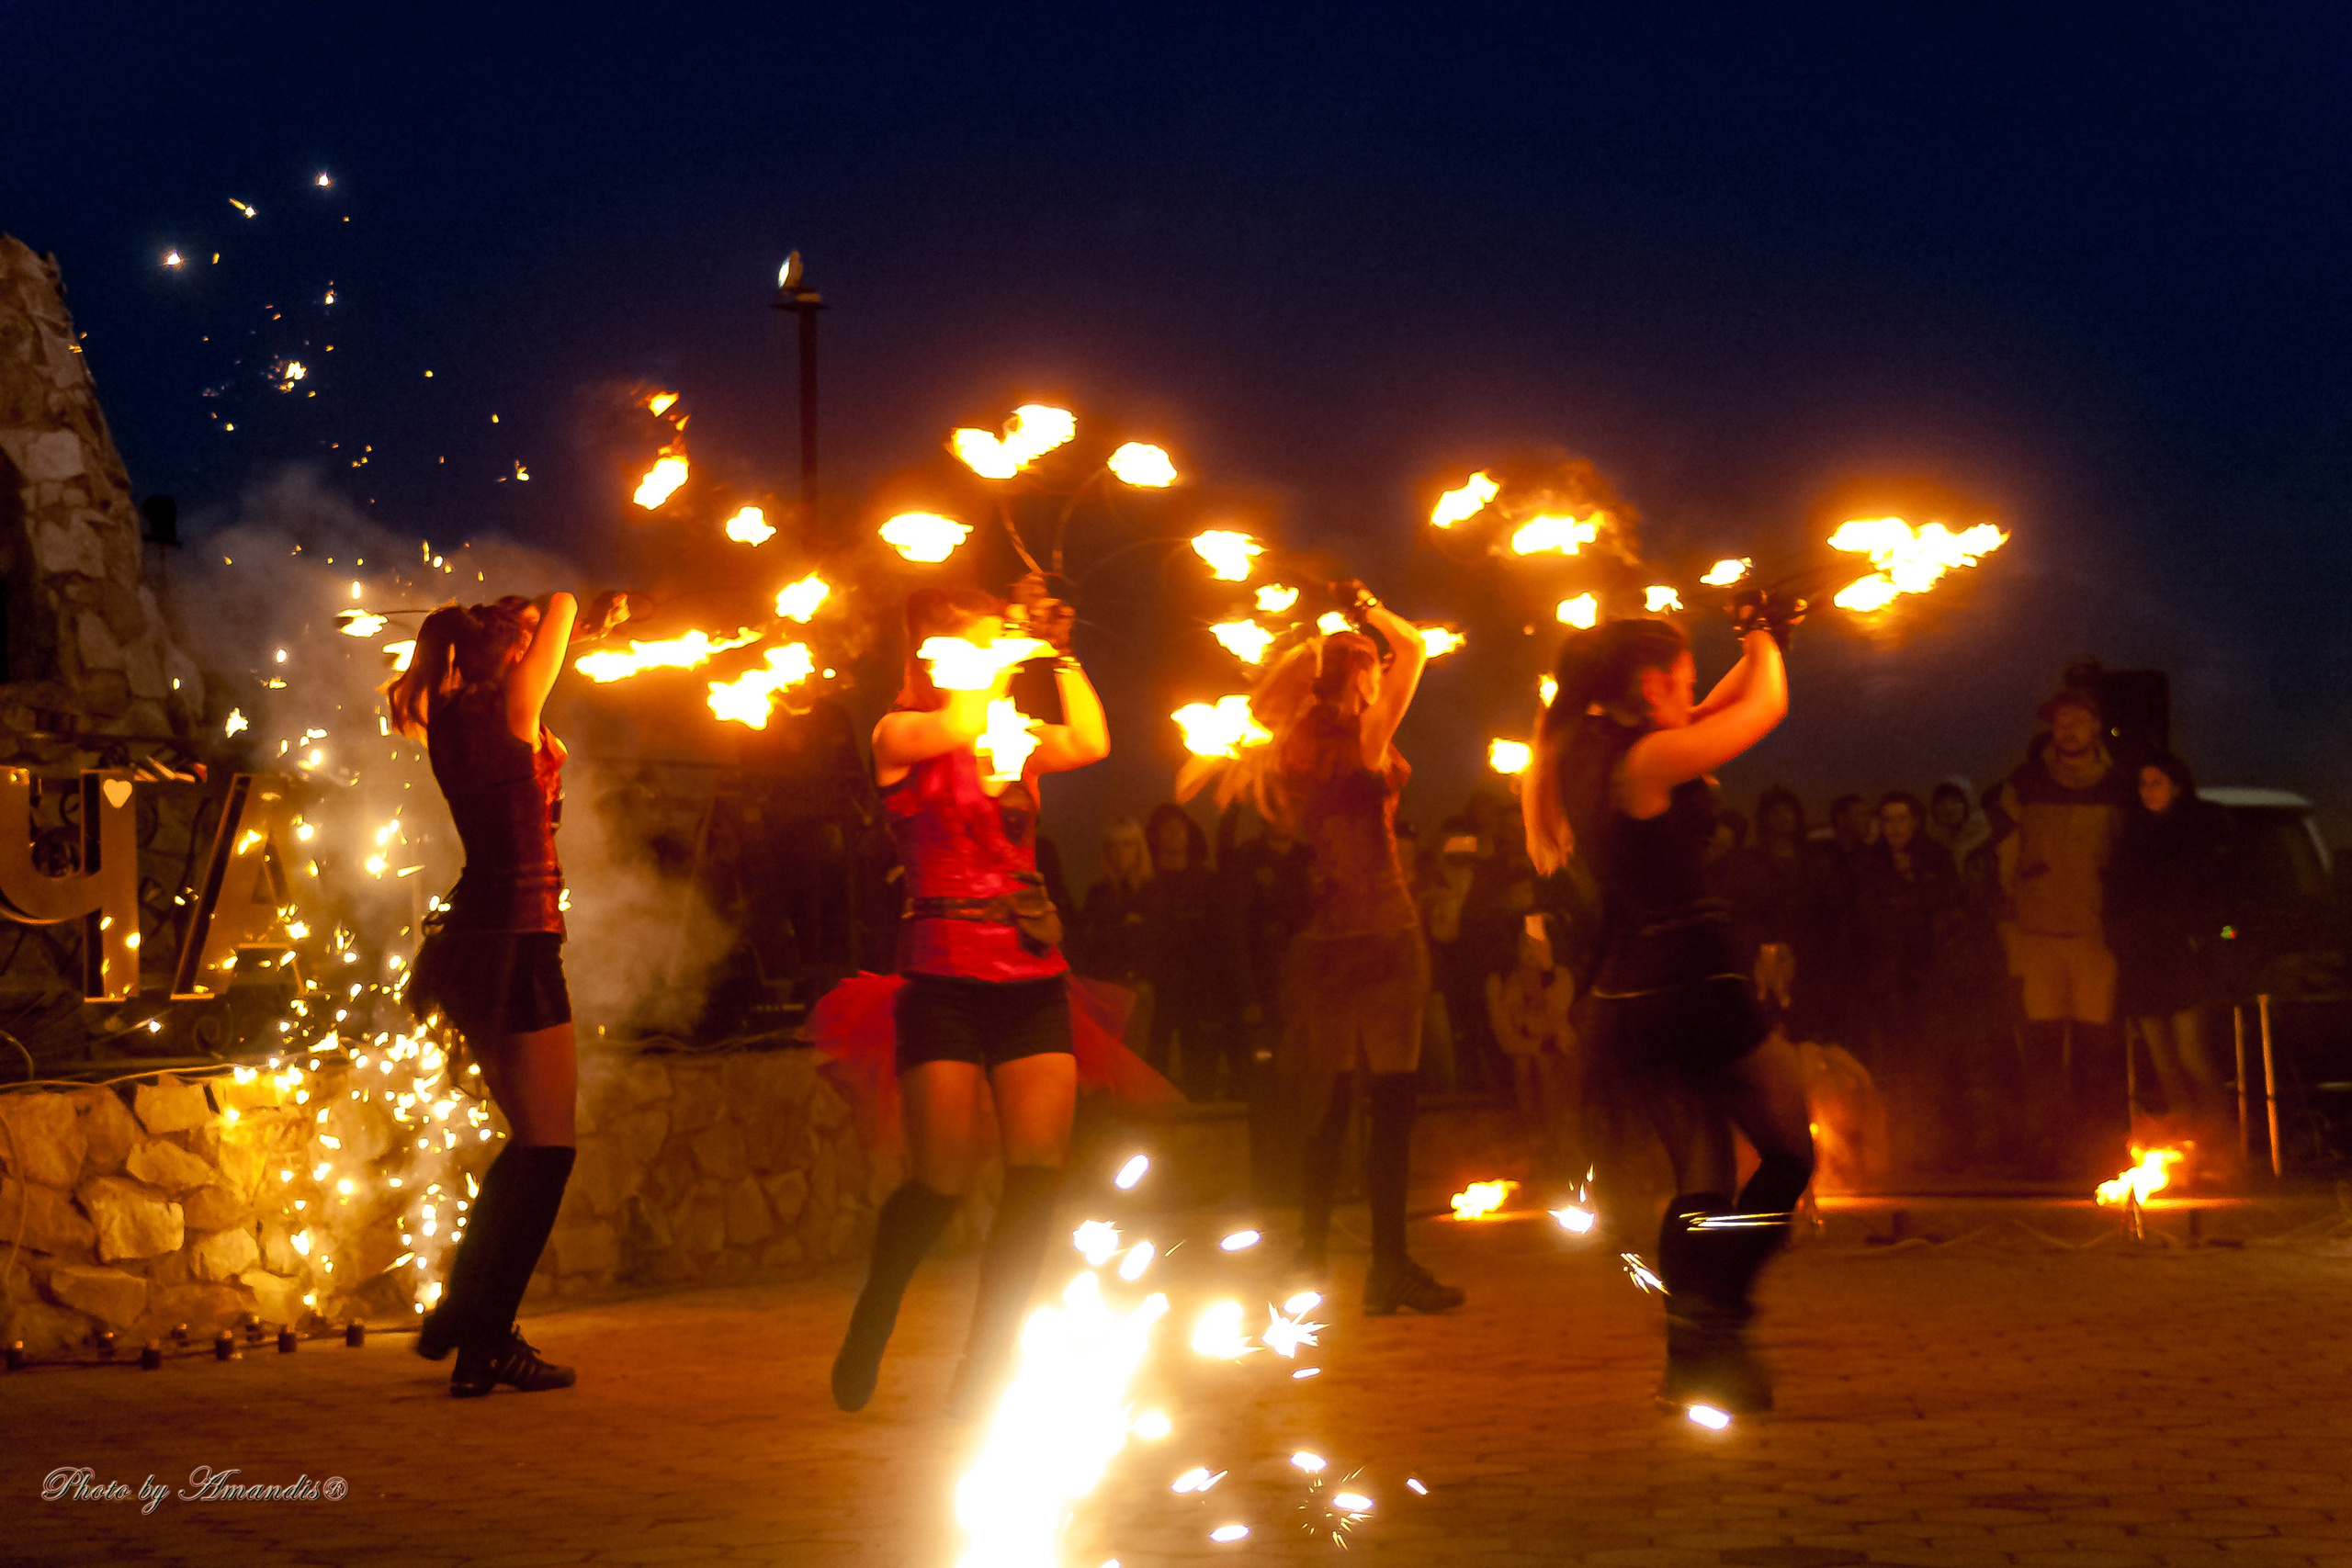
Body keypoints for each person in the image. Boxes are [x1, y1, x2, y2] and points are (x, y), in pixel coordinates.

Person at [822, 582, 1148, 1416]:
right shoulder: (901, 733)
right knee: (940, 1181)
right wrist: (1014, 648)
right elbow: (964, 720)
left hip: (1032, 976)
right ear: (937, 649)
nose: (997, 642)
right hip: (942, 977)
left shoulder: (1013, 737)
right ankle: (877, 1309)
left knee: (1037, 1176)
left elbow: (1092, 739)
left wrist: (1058, 651)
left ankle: (987, 1360)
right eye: (978, 635)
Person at [1525, 595, 1810, 1414]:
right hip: (1695, 981)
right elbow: (1765, 708)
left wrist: (1769, 636)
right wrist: (1760, 641)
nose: (1691, 693)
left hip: (1633, 991)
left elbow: (1720, 703)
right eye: (1680, 681)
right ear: (1649, 686)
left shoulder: (1591, 747)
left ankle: (1695, 1359)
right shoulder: (1647, 762)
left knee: (1705, 1178)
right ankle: (1712, 1308)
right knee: (1790, 1152)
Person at [1181, 580, 1464, 1315]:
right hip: (1383, 931)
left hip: (1324, 937)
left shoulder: (1293, 746)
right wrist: (1370, 606)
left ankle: (1310, 1259)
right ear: (1359, 673)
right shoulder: (1364, 738)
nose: (1381, 672)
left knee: (1331, 1102)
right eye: (1370, 664)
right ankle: (1388, 1266)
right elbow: (1420, 647)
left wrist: (1320, 633)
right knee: (1392, 1102)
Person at [395, 587, 629, 1396]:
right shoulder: (505, 711)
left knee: (529, 1142)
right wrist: (565, 604)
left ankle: (463, 1313)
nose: (541, 647)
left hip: (476, 939)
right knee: (550, 1148)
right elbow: (561, 606)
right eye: (523, 637)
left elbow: (555, 638)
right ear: (503, 648)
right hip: (518, 941)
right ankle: (483, 1339)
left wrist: (571, 621)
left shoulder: (457, 713)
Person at [1990, 681, 2132, 1177]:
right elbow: (2003, 854)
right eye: (2060, 721)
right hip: (2037, 935)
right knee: (2043, 1052)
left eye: (2077, 719)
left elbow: (2132, 861)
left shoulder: (2121, 787)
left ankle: (2096, 1152)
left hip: (2095, 937)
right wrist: (2011, 921)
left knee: (2097, 1052)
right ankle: (2045, 1151)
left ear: (2096, 725)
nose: (2067, 728)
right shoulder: (2024, 783)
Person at [2109, 752, 2227, 1149]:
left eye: (2156, 782)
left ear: (2176, 786)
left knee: (2191, 1052)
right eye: (2143, 783)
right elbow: (2117, 894)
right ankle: (2188, 1146)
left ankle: (2220, 1143)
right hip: (2141, 956)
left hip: (2182, 954)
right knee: (2162, 1061)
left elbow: (2214, 897)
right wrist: (2121, 939)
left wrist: (2209, 936)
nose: (2148, 791)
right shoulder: (2131, 835)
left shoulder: (2196, 831)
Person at [1854, 792, 1962, 1171]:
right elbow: (1863, 924)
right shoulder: (1868, 866)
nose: (1895, 828)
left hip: (1929, 980)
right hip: (1886, 982)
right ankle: (1897, 1150)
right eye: (1887, 820)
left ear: (1915, 822)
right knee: (1893, 1070)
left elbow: (1953, 915)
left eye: (1902, 819)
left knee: (1931, 1067)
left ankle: (1935, 1151)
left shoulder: (1935, 861)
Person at [1141, 802, 1241, 1098]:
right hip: (1156, 991)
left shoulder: (1207, 882)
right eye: (1165, 826)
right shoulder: (1145, 885)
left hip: (1201, 990)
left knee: (1201, 1068)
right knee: (1152, 1063)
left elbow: (1223, 937)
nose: (1173, 831)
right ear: (1154, 836)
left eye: (1179, 825)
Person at [1485, 917, 1577, 1182]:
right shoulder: (1502, 983)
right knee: (1525, 1063)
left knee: (1546, 1063)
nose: (1532, 952)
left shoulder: (1560, 978)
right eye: (1526, 944)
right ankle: (1534, 1141)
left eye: (1539, 945)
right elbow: (1506, 1034)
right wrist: (1535, 1043)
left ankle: (1557, 1142)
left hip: (1556, 1056)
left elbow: (1557, 1021)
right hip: (1514, 1056)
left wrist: (1545, 981)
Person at [1074, 818, 1151, 986]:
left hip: (1145, 982)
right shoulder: (1097, 893)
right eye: (1112, 845)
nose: (1119, 851)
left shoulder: (1153, 890)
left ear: (1139, 848)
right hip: (1107, 982)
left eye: (1127, 844)